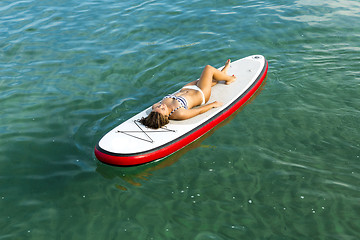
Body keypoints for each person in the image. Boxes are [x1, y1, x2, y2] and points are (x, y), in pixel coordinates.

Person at [140, 59, 236, 129]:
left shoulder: (156, 108)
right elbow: (198, 111)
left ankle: (223, 73)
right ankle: (229, 79)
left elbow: (155, 110)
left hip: (188, 88)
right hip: (202, 93)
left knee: (210, 79)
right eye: (162, 109)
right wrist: (213, 104)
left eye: (159, 107)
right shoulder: (179, 113)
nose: (162, 106)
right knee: (208, 69)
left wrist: (152, 117)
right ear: (165, 117)